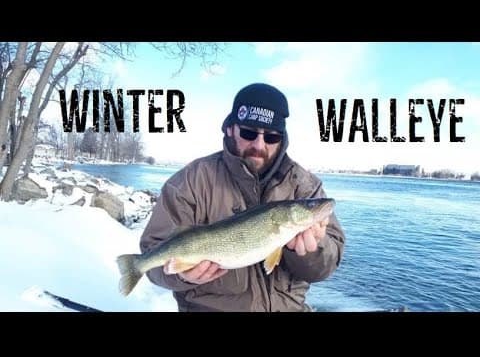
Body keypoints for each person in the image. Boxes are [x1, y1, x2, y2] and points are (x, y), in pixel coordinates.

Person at [140, 83, 346, 312]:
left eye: (271, 137)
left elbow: (324, 267)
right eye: (249, 133)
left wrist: (312, 250)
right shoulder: (190, 182)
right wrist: (184, 277)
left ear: (282, 139)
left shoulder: (304, 186)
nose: (259, 145)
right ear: (230, 129)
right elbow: (152, 259)